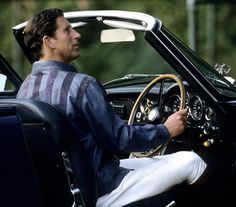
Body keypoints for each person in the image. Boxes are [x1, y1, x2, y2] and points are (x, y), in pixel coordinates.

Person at [17, 8, 208, 207]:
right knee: (191, 162)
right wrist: (166, 130)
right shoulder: (82, 86)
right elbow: (121, 140)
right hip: (101, 189)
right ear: (49, 42)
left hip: (65, 193)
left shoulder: (24, 90)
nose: (77, 34)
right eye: (67, 31)